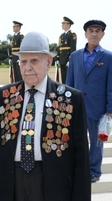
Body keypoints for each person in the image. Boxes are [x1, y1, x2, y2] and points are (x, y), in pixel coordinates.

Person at [0, 31, 91, 201]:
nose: (27, 67)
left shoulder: (70, 98)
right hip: (12, 179)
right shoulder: (6, 95)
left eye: (34, 61)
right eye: (23, 61)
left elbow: (81, 154)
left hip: (53, 182)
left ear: (48, 63)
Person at [66, 19, 112, 183]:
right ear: (85, 34)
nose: (94, 33)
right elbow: (69, 83)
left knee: (97, 142)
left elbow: (110, 85)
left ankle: (94, 171)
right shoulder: (75, 56)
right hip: (76, 106)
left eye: (97, 31)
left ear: (102, 34)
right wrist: (66, 103)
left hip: (98, 108)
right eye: (90, 31)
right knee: (74, 139)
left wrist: (110, 109)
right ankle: (77, 168)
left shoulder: (108, 57)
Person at [56, 16, 77, 83]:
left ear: (68, 25)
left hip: (67, 58)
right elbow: (59, 48)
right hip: (62, 58)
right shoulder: (61, 35)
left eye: (64, 23)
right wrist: (57, 58)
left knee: (68, 76)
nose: (62, 25)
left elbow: (73, 48)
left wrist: (70, 59)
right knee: (63, 76)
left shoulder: (72, 34)